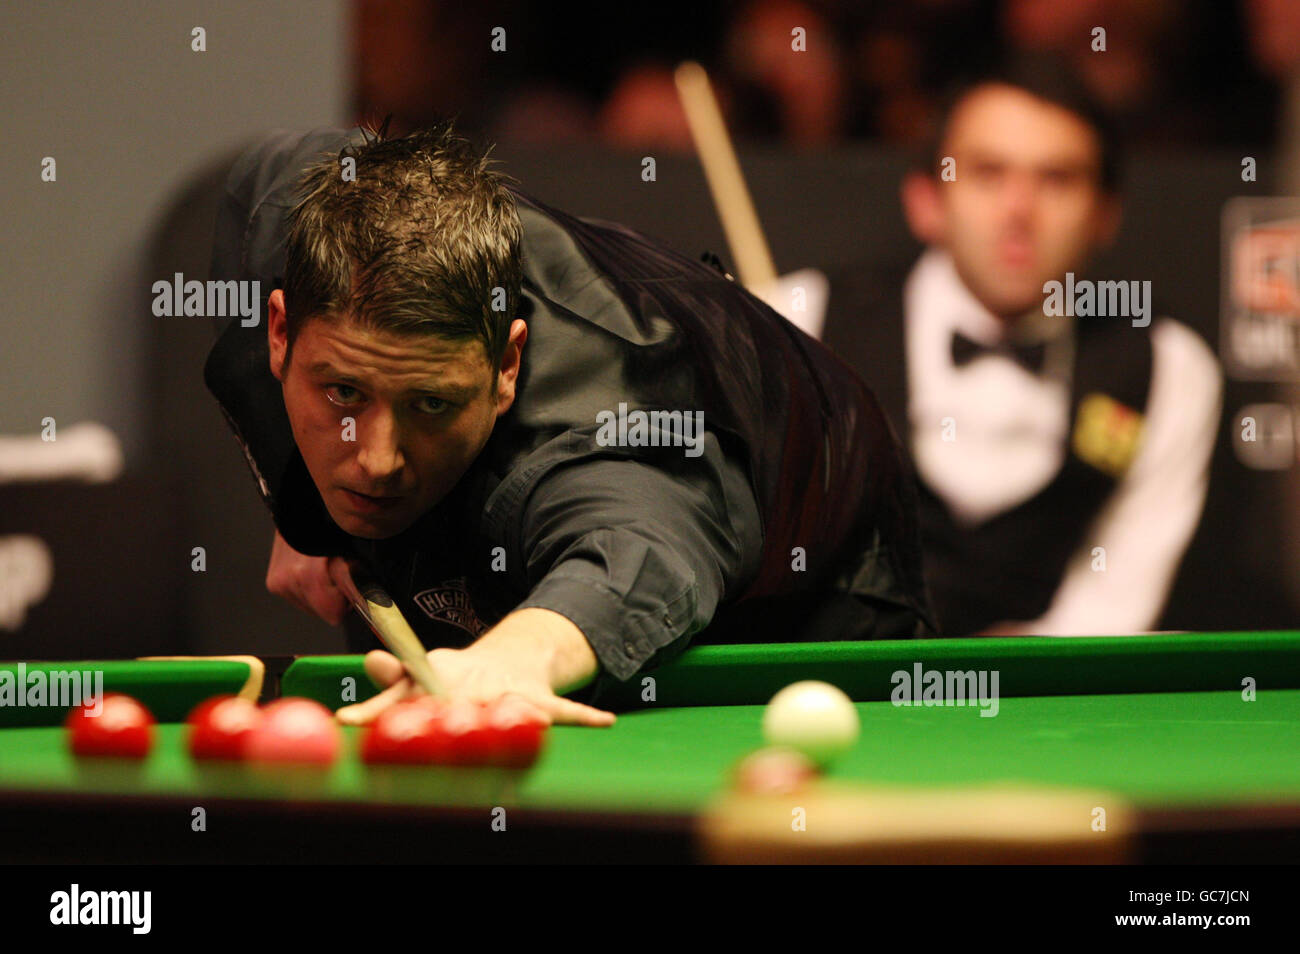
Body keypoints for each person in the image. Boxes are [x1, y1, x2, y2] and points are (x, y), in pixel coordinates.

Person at [204, 122, 934, 726]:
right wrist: (295, 496)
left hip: (807, 602)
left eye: (432, 403)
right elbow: (258, 173)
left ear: (507, 364)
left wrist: (515, 656)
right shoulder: (298, 215)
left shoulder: (610, 437)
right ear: (279, 331)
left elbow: (641, 555)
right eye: (342, 393)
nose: (377, 460)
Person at [821, 58, 1222, 637]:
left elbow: (1111, 610)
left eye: (1057, 178)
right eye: (987, 173)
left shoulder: (1169, 368)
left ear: (1107, 214)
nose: (1019, 211)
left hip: (1045, 712)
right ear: (926, 200)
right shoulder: (799, 317)